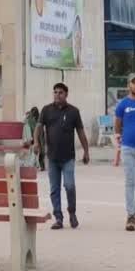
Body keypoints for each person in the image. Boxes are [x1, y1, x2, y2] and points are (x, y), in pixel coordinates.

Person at [34, 83, 89, 230]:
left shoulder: (73, 112)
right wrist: (36, 143)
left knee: (69, 186)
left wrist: (86, 151)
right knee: (54, 189)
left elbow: (81, 132)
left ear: (66, 94)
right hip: (52, 157)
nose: (57, 95)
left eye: (60, 93)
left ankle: (72, 213)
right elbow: (38, 128)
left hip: (68, 157)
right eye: (55, 92)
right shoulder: (46, 110)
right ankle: (58, 218)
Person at [114, 73, 135, 231]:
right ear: (128, 85)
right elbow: (117, 124)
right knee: (130, 182)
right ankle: (130, 216)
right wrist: (118, 138)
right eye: (134, 82)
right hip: (128, 148)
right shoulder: (123, 104)